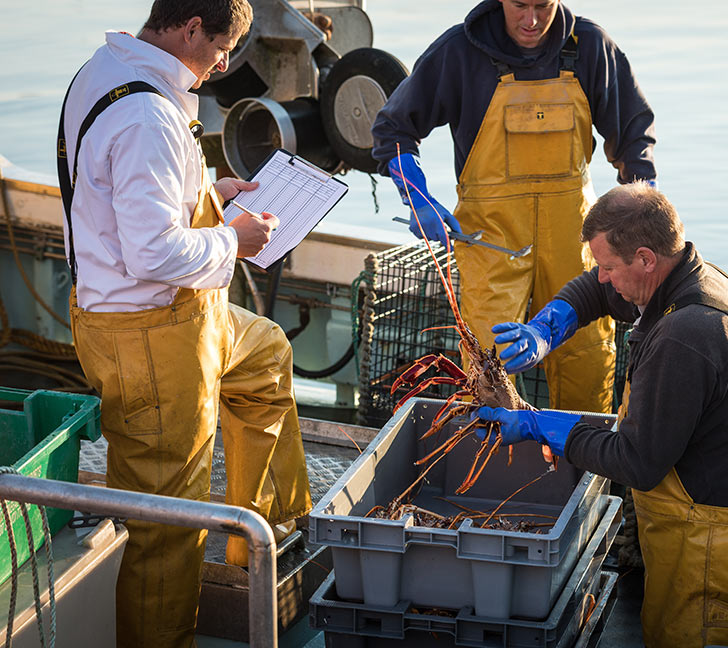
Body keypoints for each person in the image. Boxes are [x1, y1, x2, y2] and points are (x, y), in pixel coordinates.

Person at [57, 2, 311, 646]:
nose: (226, 64)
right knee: (166, 528)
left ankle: (260, 544)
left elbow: (116, 196)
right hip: (148, 334)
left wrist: (209, 192)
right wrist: (234, 240)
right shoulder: (149, 116)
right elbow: (153, 254)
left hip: (177, 318)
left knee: (266, 355)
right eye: (224, 47)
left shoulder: (107, 69)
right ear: (190, 28)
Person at [476, 183, 728, 647]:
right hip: (718, 524)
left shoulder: (683, 336)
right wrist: (547, 326)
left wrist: (537, 423)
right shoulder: (694, 278)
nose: (603, 278)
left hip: (720, 544)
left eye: (608, 266)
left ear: (646, 258)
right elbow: (594, 291)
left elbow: (637, 463)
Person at [372, 0, 657, 415]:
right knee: (486, 367)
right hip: (490, 238)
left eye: (542, 6)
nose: (531, 20)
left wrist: (641, 205)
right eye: (519, 5)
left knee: (588, 359)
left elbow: (634, 137)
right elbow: (394, 128)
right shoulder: (459, 51)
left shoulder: (589, 47)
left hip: (575, 240)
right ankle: (491, 468)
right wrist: (416, 194)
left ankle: (586, 471)